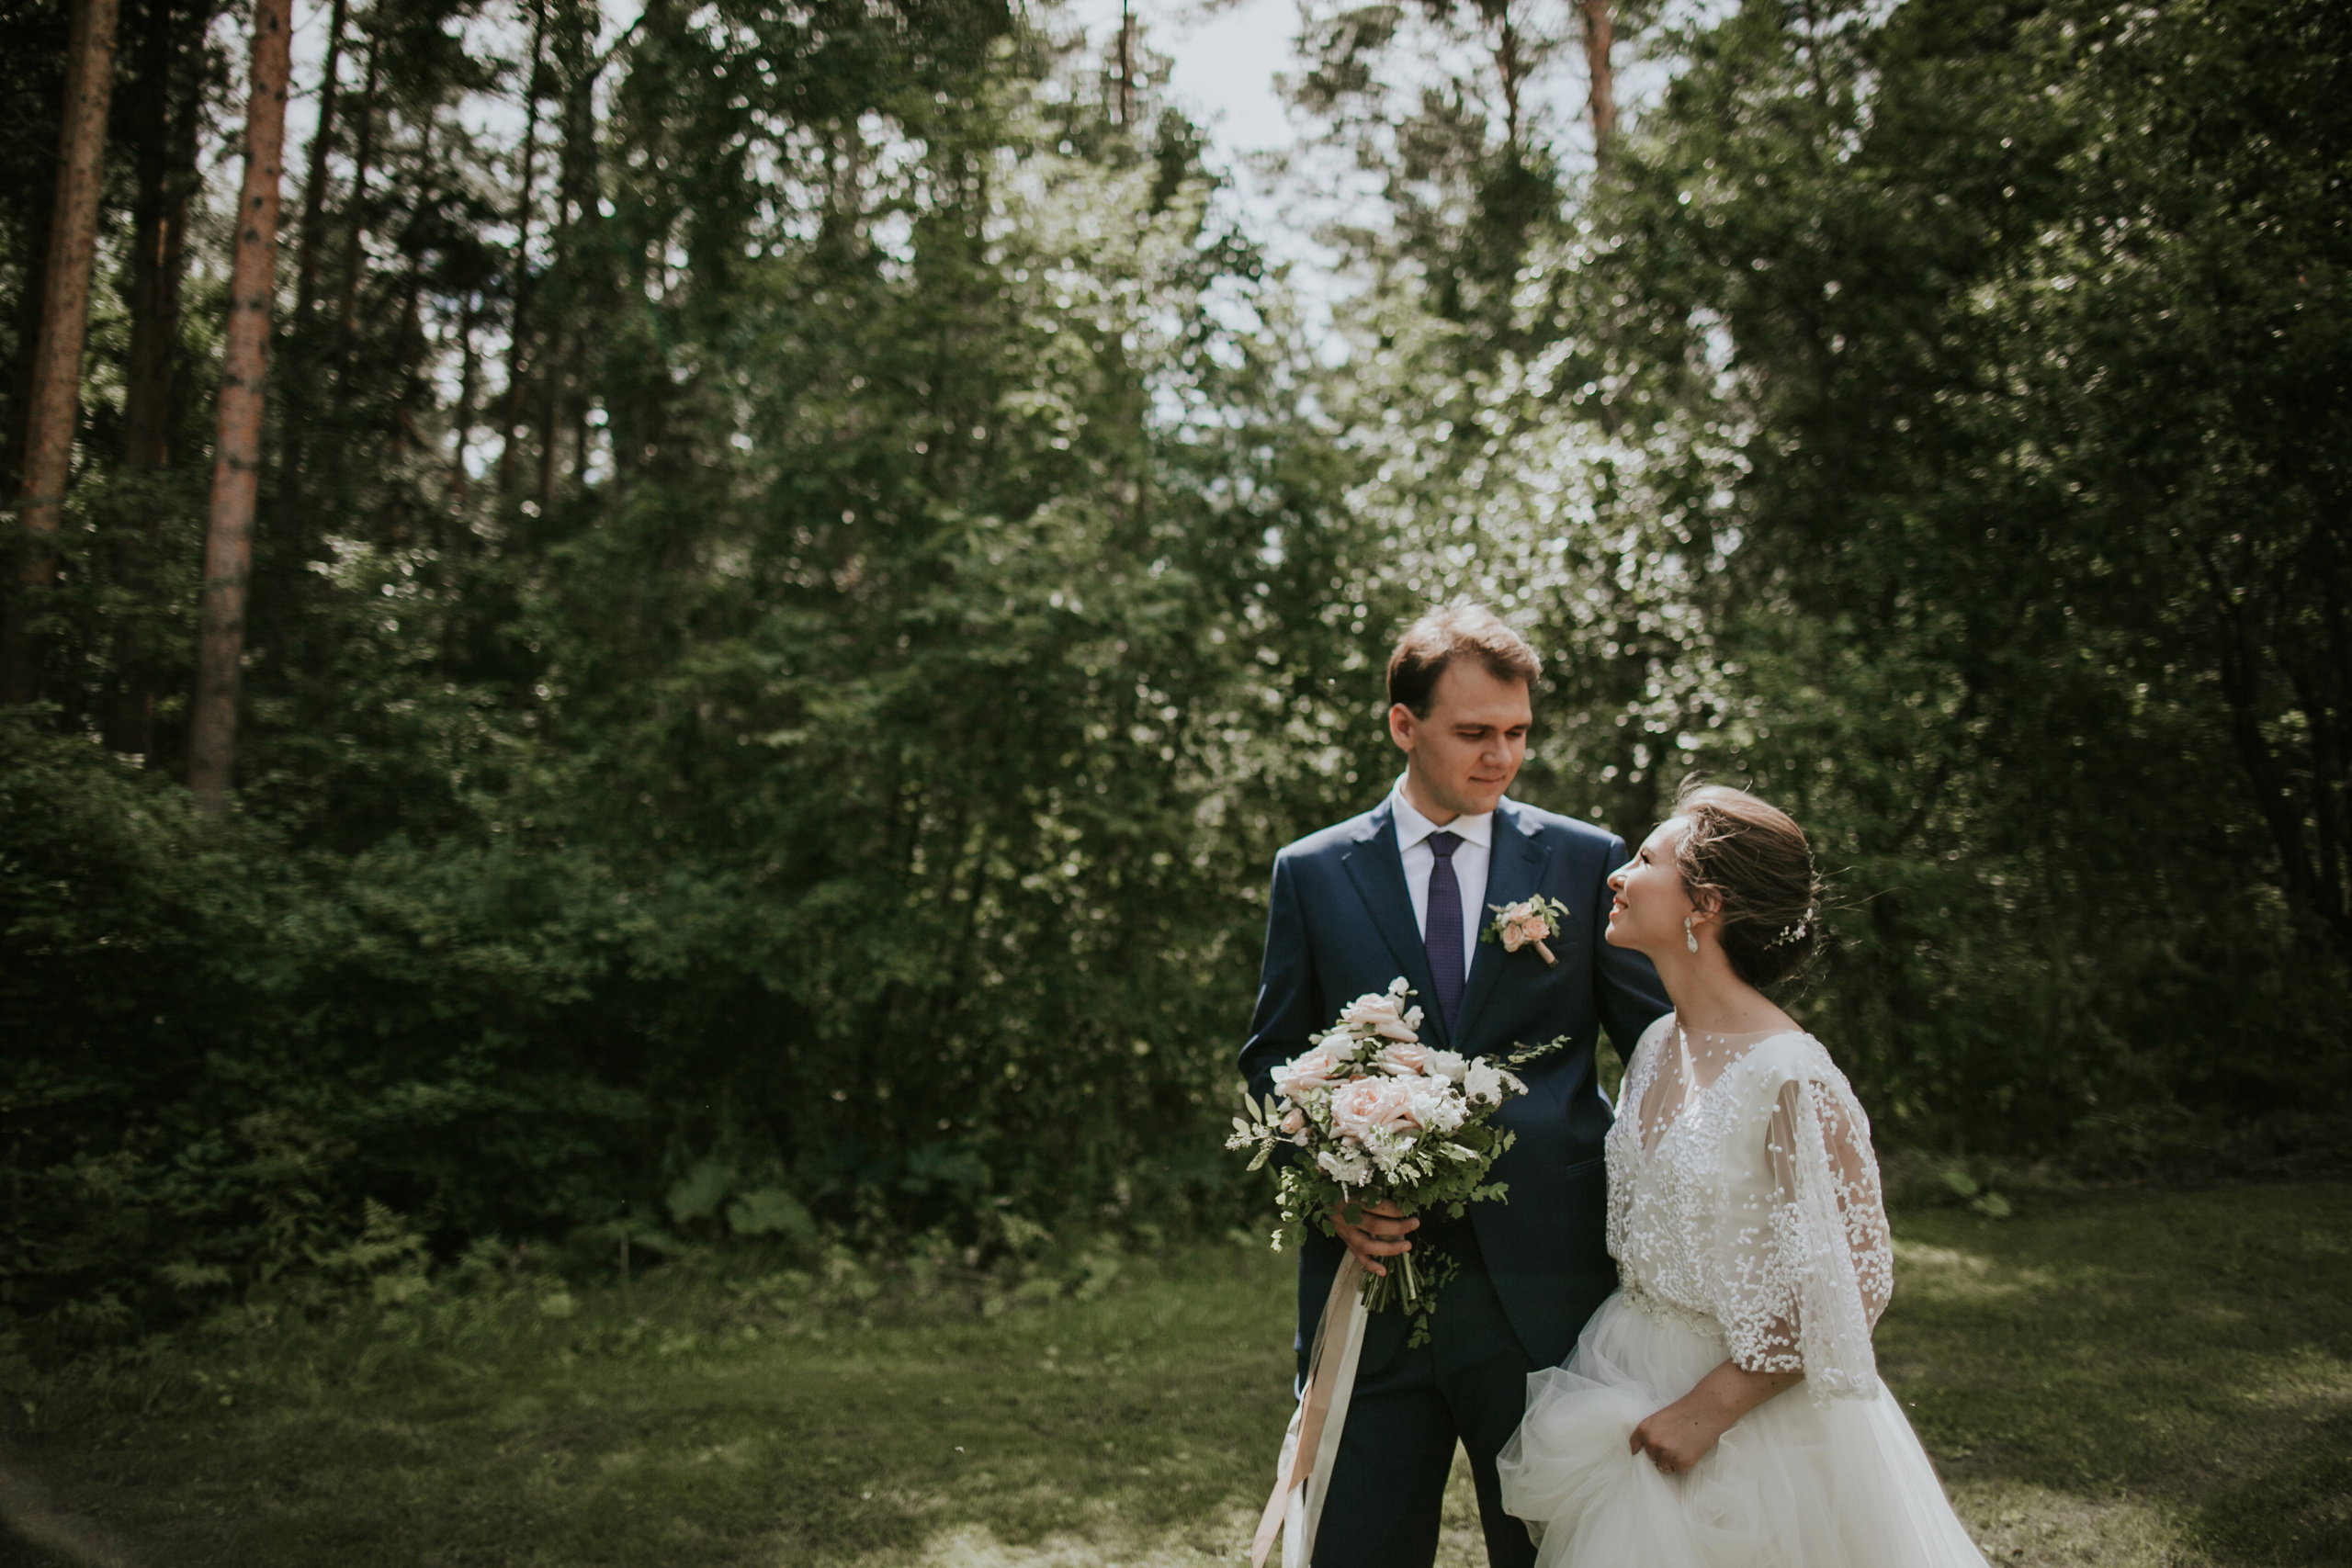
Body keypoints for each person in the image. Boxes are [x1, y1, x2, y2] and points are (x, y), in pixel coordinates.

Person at [1239, 604, 1669, 1568]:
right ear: (1403, 724)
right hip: (1371, 1286)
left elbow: (1657, 1054)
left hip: (1548, 1287)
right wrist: (1335, 1186)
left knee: (1555, 1552)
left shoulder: (1584, 858)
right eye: (1474, 733)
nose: (1500, 757)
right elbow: (1271, 1059)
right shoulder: (1311, 873)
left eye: (1516, 733)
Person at [1495, 784, 1988, 1568]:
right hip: (1624, 1365)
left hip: (1748, 1417)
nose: (1618, 874)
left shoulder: (1790, 1074)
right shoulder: (1657, 1042)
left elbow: (1855, 1282)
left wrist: (1709, 1408)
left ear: (1706, 904)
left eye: (1648, 859)